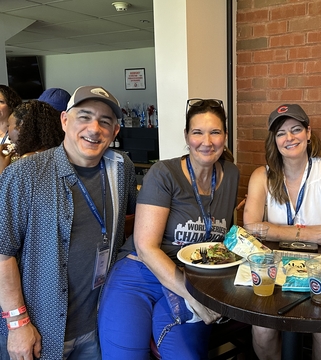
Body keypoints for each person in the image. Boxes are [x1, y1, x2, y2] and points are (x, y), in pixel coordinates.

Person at [0, 86, 137, 360]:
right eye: (84, 117)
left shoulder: (122, 169)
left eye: (105, 121)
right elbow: (3, 254)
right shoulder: (24, 174)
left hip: (99, 324)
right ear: (64, 120)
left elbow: (129, 228)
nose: (94, 128)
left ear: (115, 132)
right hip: (39, 331)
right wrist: (17, 325)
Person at [98, 98, 239, 360]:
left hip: (192, 277)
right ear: (187, 136)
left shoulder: (231, 174)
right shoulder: (164, 173)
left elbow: (224, 241)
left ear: (225, 137)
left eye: (215, 132)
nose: (206, 141)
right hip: (140, 274)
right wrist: (195, 298)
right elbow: (145, 246)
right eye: (197, 132)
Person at [243, 104, 321, 360]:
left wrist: (273, 230)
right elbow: (250, 227)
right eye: (281, 133)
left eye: (296, 130)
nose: (289, 138)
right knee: (262, 328)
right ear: (274, 140)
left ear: (308, 133)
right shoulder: (262, 176)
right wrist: (311, 234)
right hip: (275, 267)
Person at [0, 100, 64, 174]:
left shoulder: (27, 161)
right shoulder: (56, 153)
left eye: (8, 126)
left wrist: (2, 169)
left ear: (21, 126)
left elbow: (8, 185)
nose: (8, 133)